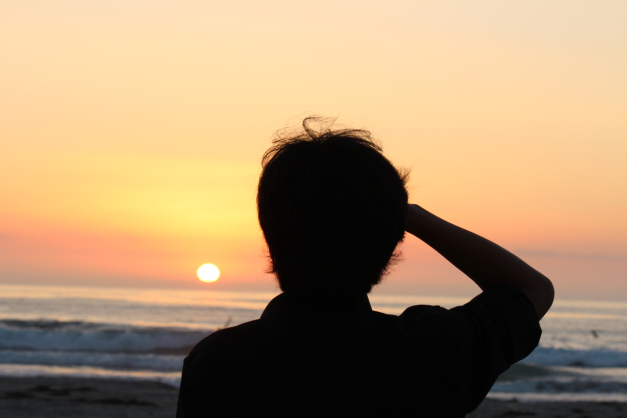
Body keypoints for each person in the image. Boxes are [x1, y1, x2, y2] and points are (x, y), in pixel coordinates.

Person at [176, 118, 554, 417]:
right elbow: (531, 289)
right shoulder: (430, 351)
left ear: (270, 237)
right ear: (390, 245)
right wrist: (411, 216)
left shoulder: (218, 363)